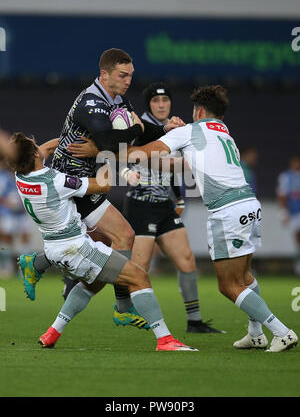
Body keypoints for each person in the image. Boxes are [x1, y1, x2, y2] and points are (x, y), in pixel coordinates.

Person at [18, 48, 183, 332]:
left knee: (108, 247)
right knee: (123, 236)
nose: (129, 80)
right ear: (104, 74)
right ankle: (122, 307)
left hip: (88, 179)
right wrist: (127, 132)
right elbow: (110, 142)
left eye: (131, 75)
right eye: (123, 75)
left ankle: (39, 265)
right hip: (74, 184)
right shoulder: (91, 102)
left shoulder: (117, 97)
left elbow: (137, 131)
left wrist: (164, 128)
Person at [124, 84, 298, 353]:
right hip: (250, 205)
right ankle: (255, 333)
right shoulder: (224, 133)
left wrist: (111, 152)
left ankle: (281, 331)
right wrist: (174, 134)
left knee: (228, 285)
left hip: (227, 211)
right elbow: (178, 163)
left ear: (199, 110)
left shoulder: (189, 131)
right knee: (245, 277)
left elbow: (146, 152)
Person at [7, 132, 197, 352]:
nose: (40, 146)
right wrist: (105, 153)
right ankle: (165, 340)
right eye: (35, 145)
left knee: (91, 284)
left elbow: (45, 149)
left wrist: (68, 139)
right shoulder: (57, 181)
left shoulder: (20, 177)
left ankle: (52, 333)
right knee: (138, 277)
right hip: (78, 251)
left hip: (55, 248)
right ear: (34, 154)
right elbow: (104, 185)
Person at [120, 82, 223, 333]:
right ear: (149, 105)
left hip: (163, 206)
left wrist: (178, 198)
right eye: (156, 101)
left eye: (165, 100)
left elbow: (175, 170)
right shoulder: (139, 126)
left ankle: (194, 322)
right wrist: (124, 172)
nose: (162, 105)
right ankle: (125, 310)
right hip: (140, 204)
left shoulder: (175, 128)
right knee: (137, 269)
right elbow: (120, 153)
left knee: (187, 261)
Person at [277, 155, 300, 276]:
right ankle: (298, 266)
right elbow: (282, 195)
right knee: (297, 239)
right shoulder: (286, 177)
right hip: (294, 213)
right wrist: (283, 213)